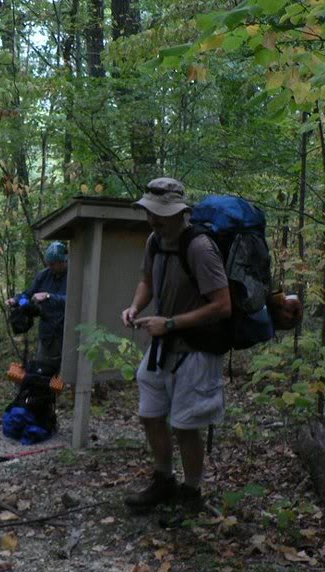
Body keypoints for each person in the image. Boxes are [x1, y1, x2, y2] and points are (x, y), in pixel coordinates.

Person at [120, 177, 231, 520]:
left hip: (196, 350)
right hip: (162, 348)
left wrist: (170, 323)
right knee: (150, 415)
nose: (152, 218)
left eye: (160, 213)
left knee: (185, 426)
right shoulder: (154, 241)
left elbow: (223, 305)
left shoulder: (199, 248)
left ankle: (191, 492)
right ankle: (164, 480)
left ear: (179, 212)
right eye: (149, 211)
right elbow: (147, 281)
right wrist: (135, 307)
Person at [5, 241, 68, 370]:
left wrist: (48, 296)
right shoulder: (44, 275)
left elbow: (71, 300)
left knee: (67, 372)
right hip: (47, 333)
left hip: (67, 333)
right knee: (43, 370)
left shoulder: (73, 276)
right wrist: (17, 300)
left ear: (63, 261)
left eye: (53, 264)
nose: (50, 267)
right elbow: (28, 295)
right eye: (49, 263)